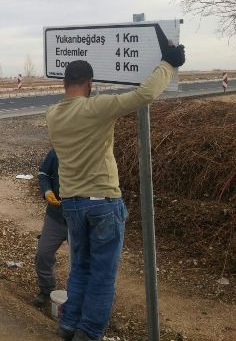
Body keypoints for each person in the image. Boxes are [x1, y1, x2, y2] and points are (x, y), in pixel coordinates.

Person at [46, 41, 185, 341]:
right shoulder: (98, 107)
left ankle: (69, 326)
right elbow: (144, 94)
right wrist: (168, 63)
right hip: (102, 202)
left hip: (71, 204)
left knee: (79, 268)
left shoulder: (52, 115)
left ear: (65, 83)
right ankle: (90, 332)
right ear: (89, 84)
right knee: (103, 275)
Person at [32, 149, 68, 308]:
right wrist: (47, 191)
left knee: (80, 263)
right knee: (43, 253)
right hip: (56, 215)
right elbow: (43, 174)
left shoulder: (88, 151)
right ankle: (47, 290)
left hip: (80, 220)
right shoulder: (57, 151)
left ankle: (79, 301)